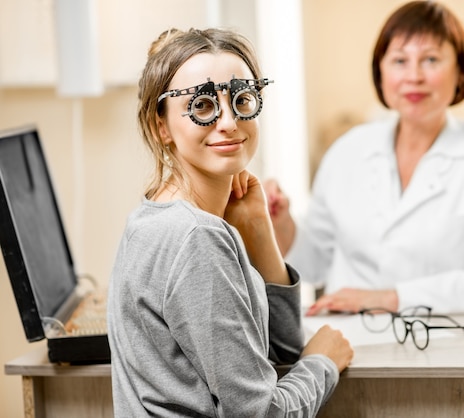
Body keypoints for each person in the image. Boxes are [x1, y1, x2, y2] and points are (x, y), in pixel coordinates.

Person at [107, 27, 353, 417]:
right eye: (202, 106)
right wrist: (323, 363)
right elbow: (262, 412)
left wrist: (257, 230)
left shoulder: (151, 215)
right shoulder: (196, 238)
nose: (228, 121)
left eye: (241, 99)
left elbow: (281, 354)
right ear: (161, 126)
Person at [264, 1, 464, 315]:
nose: (414, 76)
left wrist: (391, 298)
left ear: (461, 71)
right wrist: (281, 224)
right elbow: (314, 264)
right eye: (399, 60)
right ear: (380, 71)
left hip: (450, 348)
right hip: (348, 344)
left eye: (430, 59)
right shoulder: (347, 151)